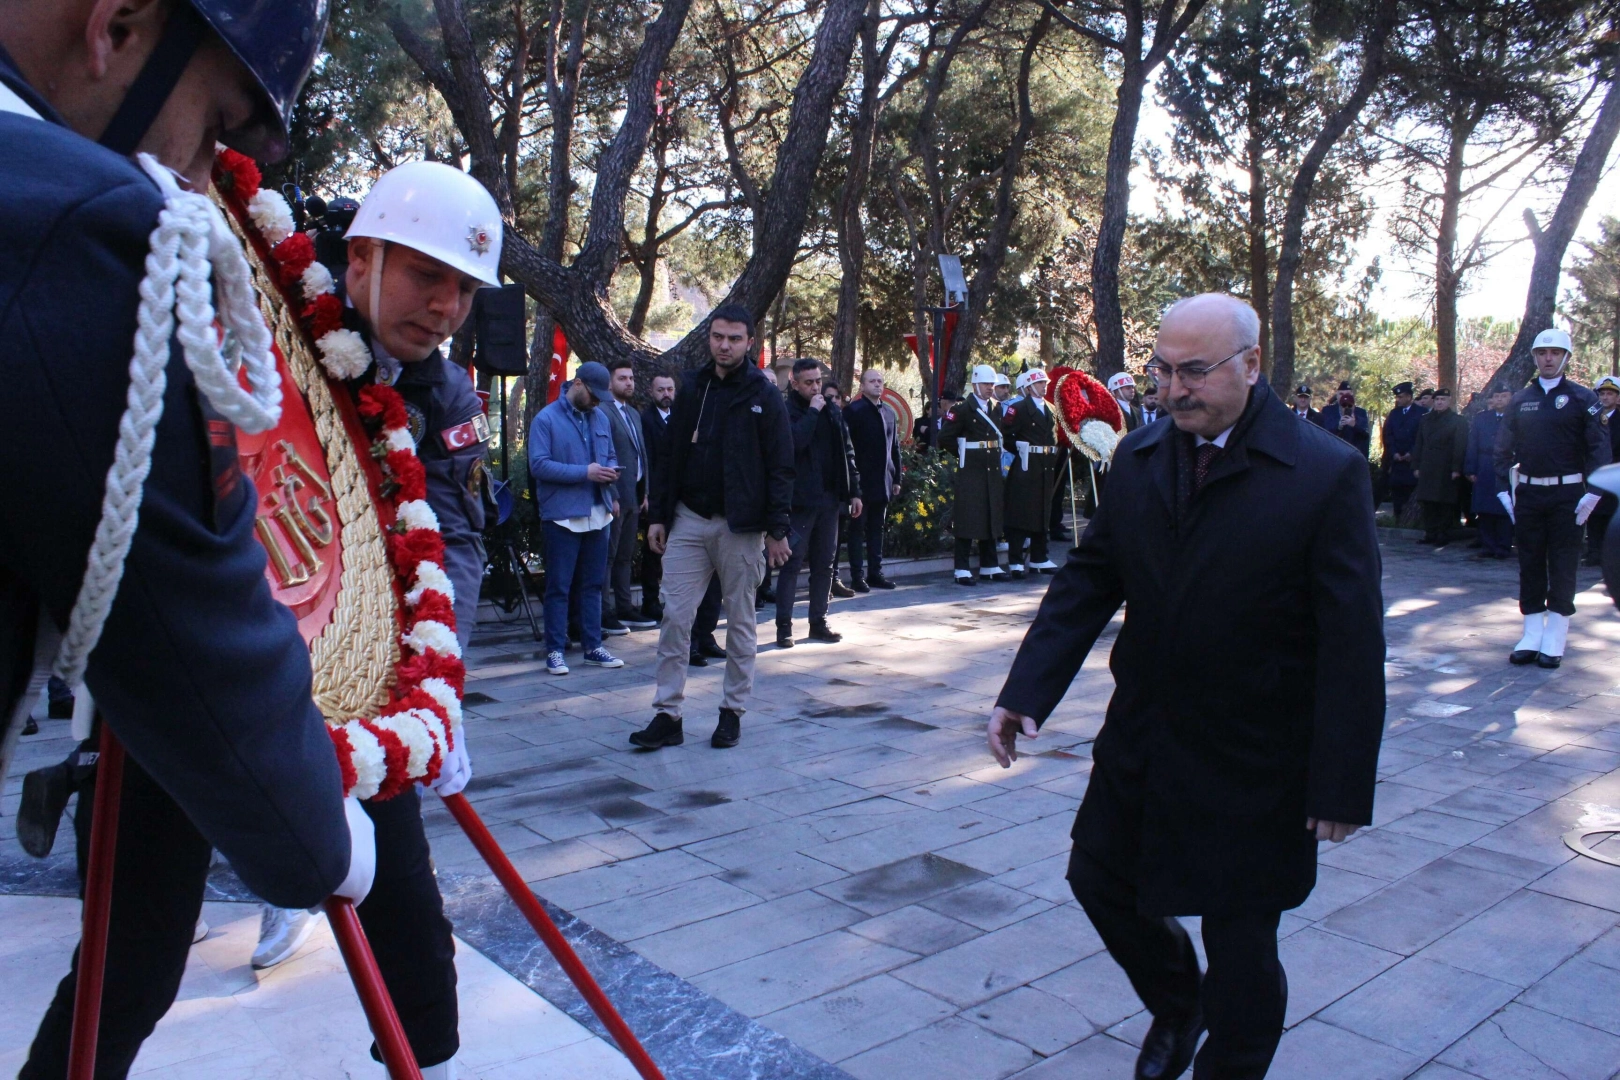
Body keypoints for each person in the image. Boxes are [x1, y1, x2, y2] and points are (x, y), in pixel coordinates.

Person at [3, 3, 381, 1076]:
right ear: (116, 24)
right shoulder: (78, 228)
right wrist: (325, 839)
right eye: (214, 127)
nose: (207, 176)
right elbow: (193, 630)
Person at [987, 293, 1384, 1080]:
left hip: (1256, 759)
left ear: (1251, 364)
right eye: (1161, 371)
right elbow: (1089, 581)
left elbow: (1352, 641)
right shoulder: (1139, 459)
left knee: (1240, 945)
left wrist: (1340, 784)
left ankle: (1228, 1060)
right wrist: (1024, 692)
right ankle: (1178, 1003)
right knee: (1097, 878)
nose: (1172, 390)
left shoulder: (1323, 472)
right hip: (1146, 736)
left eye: (1194, 372)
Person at [631, 305, 793, 751]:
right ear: (710, 338)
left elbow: (781, 466)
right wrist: (659, 515)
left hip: (740, 527)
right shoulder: (693, 387)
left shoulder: (764, 394)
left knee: (740, 622)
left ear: (749, 342)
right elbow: (669, 456)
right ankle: (667, 715)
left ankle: (732, 712)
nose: (724, 345)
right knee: (674, 619)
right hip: (688, 519)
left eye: (734, 338)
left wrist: (777, 530)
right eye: (718, 337)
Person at [1495, 327, 1609, 669]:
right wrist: (1503, 488)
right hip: (1529, 493)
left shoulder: (1583, 399)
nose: (1548, 358)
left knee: (1562, 565)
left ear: (1565, 358)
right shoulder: (1520, 399)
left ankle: (1555, 638)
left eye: (1555, 353)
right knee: (1529, 563)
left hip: (1568, 496)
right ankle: (1531, 635)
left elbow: (1599, 449)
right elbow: (1502, 447)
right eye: (1542, 353)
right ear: (1534, 357)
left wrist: (1594, 493)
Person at [531, 361, 626, 677]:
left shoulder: (599, 417)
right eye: (594, 394)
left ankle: (593, 646)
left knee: (593, 585)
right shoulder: (545, 419)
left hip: (598, 514)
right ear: (578, 384)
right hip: (562, 516)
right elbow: (539, 466)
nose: (598, 402)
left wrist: (610, 484)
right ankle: (555, 650)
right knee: (559, 586)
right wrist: (585, 472)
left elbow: (610, 455)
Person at [775, 360, 862, 647]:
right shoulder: (787, 411)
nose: (815, 387)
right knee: (792, 564)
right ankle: (784, 627)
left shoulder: (832, 411)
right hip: (799, 502)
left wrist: (853, 492)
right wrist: (813, 411)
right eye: (808, 382)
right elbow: (795, 443)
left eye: (817, 381)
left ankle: (818, 622)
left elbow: (846, 452)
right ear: (794, 382)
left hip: (829, 499)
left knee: (825, 564)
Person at [601, 357, 655, 631]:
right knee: (607, 557)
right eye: (623, 378)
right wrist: (609, 493)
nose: (629, 382)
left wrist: (645, 490)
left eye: (631, 378)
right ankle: (604, 611)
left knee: (625, 555)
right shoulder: (602, 412)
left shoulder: (634, 413)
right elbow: (603, 455)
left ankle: (625, 607)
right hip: (614, 497)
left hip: (635, 496)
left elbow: (640, 454)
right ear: (609, 383)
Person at [940, 365, 1006, 584]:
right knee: (967, 518)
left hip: (991, 470)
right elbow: (945, 438)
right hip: (972, 470)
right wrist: (962, 454)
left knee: (990, 516)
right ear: (976, 384)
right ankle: (961, 568)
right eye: (987, 384)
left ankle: (990, 565)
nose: (990, 388)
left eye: (992, 384)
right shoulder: (961, 410)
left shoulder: (996, 407)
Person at [1001, 369, 1062, 579]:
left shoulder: (1052, 409)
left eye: (1045, 383)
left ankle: (1039, 557)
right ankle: (1016, 560)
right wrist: (1019, 448)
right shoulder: (1017, 409)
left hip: (1045, 465)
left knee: (1042, 511)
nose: (1044, 386)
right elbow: (1006, 435)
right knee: (1021, 511)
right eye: (1039, 383)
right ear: (1028, 387)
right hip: (1026, 464)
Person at [845, 368, 903, 591]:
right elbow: (847, 449)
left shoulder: (888, 412)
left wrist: (896, 476)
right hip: (861, 482)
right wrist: (852, 485)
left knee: (877, 529)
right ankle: (857, 576)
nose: (877, 385)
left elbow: (894, 447)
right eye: (872, 381)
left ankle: (875, 573)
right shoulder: (853, 411)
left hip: (883, 481)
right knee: (857, 530)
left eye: (880, 381)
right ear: (862, 385)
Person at [639, 371, 677, 622]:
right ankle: (650, 600)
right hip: (654, 494)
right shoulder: (645, 420)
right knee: (653, 551)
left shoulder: (683, 417)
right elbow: (645, 460)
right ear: (652, 392)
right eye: (661, 390)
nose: (666, 394)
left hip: (679, 494)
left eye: (670, 389)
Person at [1411, 388, 1469, 545]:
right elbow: (1419, 443)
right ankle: (1430, 533)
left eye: (1443, 399)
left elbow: (1460, 446)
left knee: (1444, 502)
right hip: (1427, 465)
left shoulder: (1458, 421)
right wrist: (1416, 465)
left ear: (1449, 401)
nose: (1439, 402)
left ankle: (1442, 534)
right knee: (1427, 502)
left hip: (1446, 466)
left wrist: (1456, 468)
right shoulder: (1425, 419)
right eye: (1437, 400)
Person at [1466, 384, 1515, 559]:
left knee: (1504, 508)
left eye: (1504, 395)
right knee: (1485, 508)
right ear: (1492, 399)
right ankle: (1488, 545)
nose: (1500, 399)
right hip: (1485, 465)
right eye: (1496, 396)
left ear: (1511, 398)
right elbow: (1472, 444)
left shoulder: (1515, 417)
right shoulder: (1481, 418)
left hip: (1507, 465)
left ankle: (1503, 546)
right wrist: (1471, 468)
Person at [1584, 374, 1620, 565]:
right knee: (1593, 512)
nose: (1605, 398)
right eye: (1602, 394)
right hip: (1593, 475)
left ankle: (1611, 555)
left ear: (1618, 398)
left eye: (1610, 394)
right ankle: (1594, 553)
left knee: (1611, 516)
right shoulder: (1590, 417)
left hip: (1614, 476)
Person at [1381, 382, 1426, 520]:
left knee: (1409, 489)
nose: (1398, 400)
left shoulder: (1421, 413)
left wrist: (1411, 453)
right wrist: (1393, 452)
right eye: (1397, 397)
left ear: (1409, 397)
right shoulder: (1394, 413)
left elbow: (1421, 436)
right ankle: (1397, 516)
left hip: (1412, 461)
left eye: (1401, 397)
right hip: (1396, 461)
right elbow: (1388, 435)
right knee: (1397, 492)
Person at [1313, 381, 1371, 457]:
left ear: (1352, 395)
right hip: (1334, 455)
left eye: (1347, 394)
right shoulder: (1328, 411)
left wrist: (1354, 425)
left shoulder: (1361, 412)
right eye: (1341, 394)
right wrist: (1339, 426)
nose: (1344, 397)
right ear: (1337, 395)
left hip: (1354, 456)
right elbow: (1324, 433)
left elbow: (1365, 435)